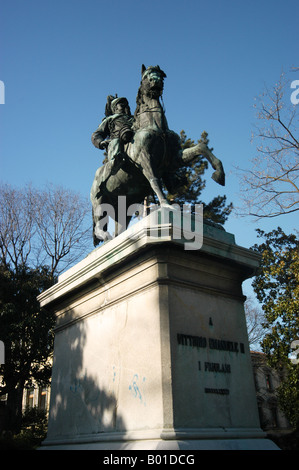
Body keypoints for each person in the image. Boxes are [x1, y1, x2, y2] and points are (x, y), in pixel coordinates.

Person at [91, 96, 134, 190]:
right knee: (116, 142)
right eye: (121, 104)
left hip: (132, 143)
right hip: (116, 144)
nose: (124, 106)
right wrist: (100, 142)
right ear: (115, 108)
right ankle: (112, 167)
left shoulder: (133, 119)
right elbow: (96, 134)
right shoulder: (110, 119)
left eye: (125, 104)